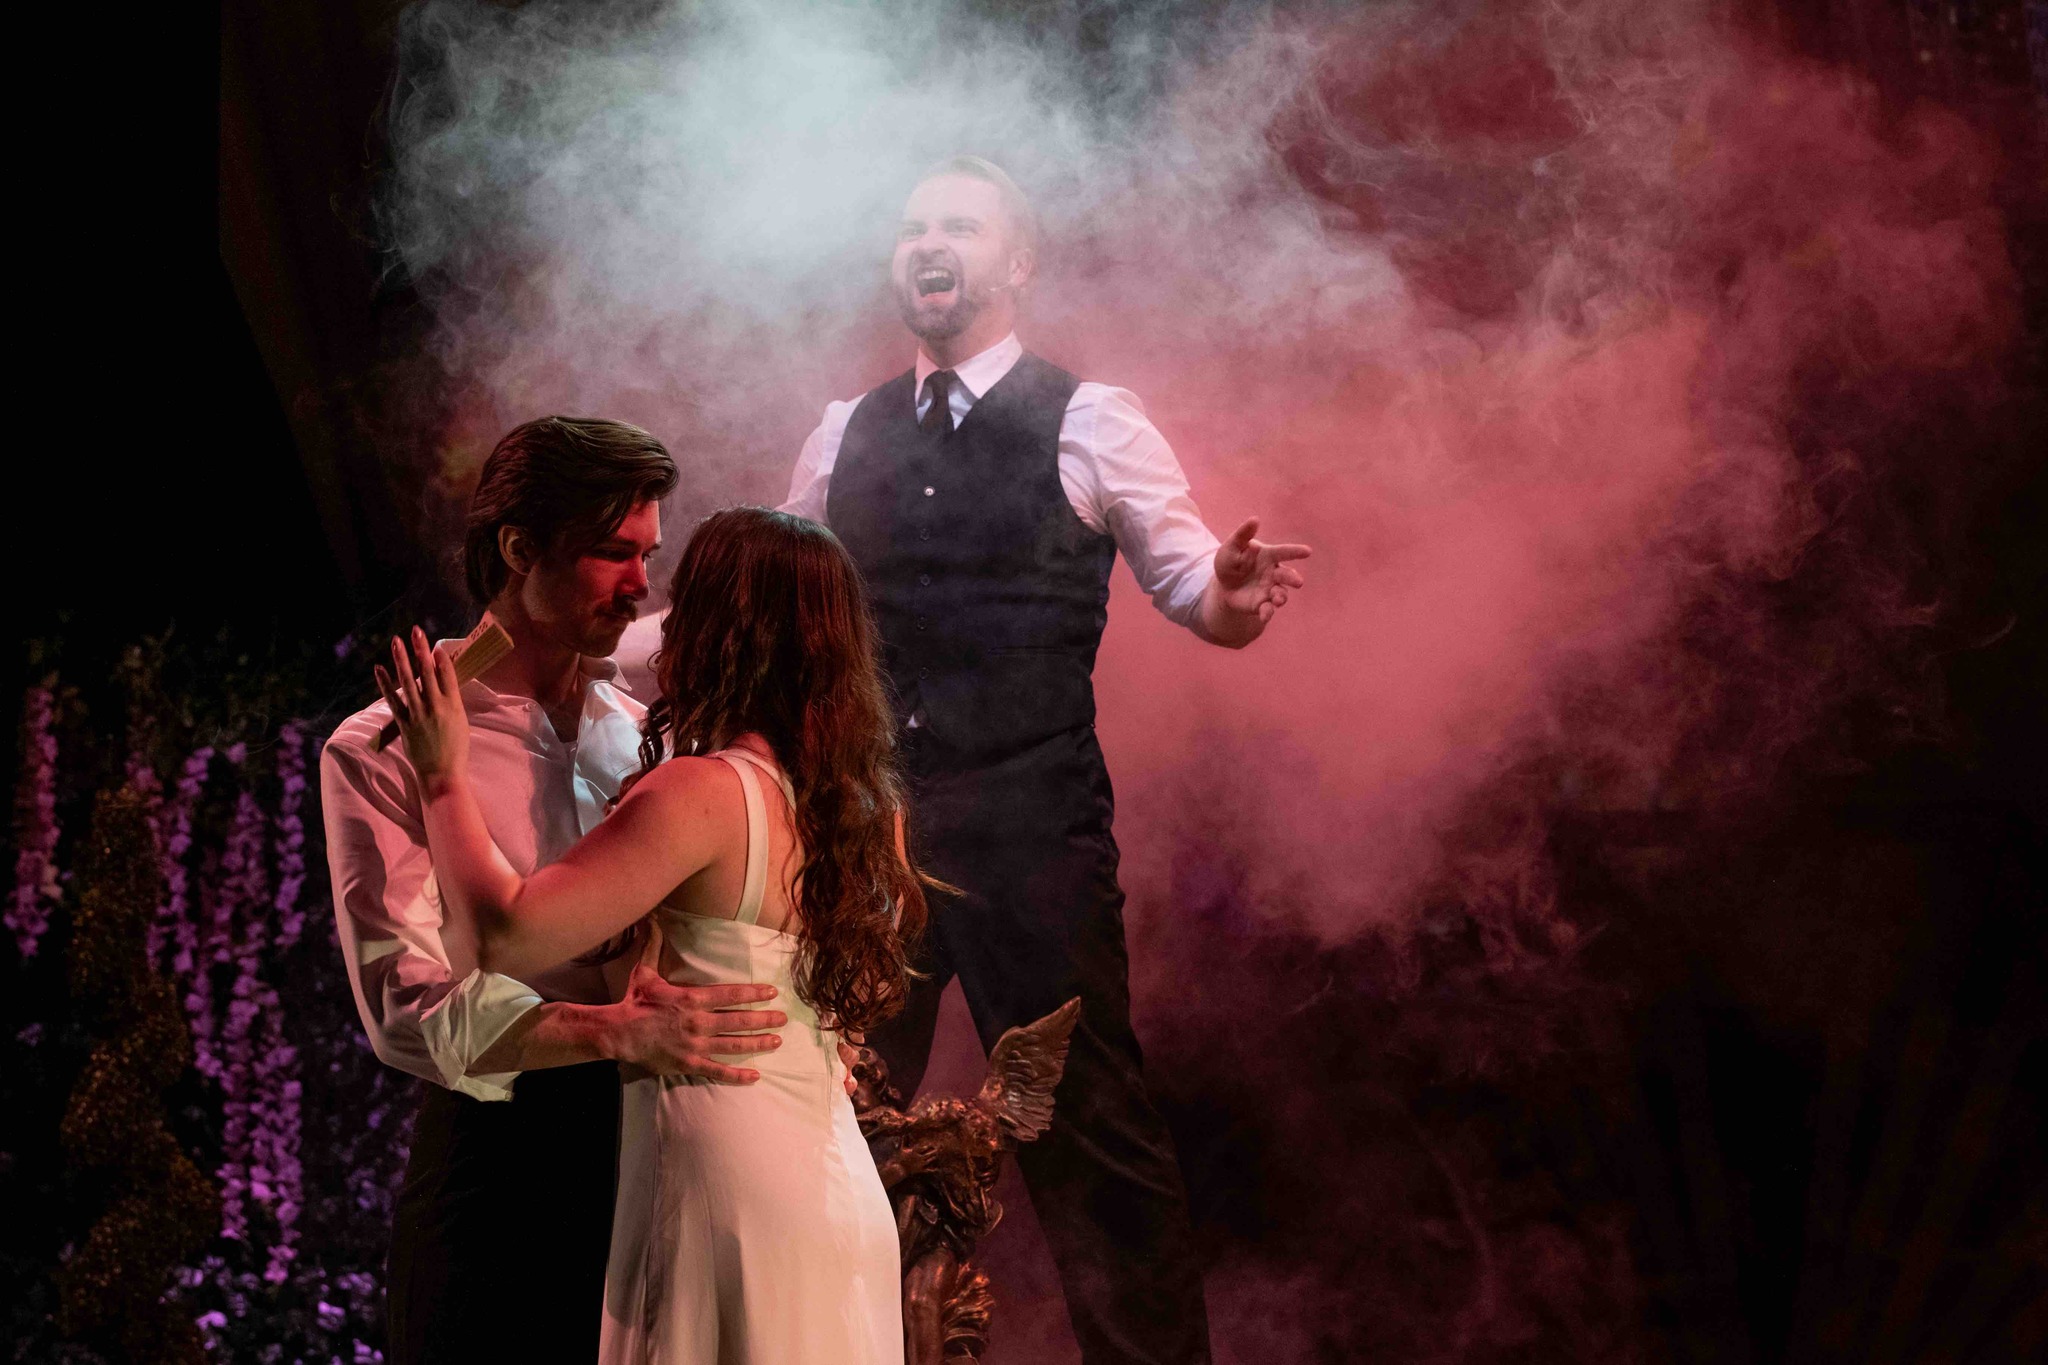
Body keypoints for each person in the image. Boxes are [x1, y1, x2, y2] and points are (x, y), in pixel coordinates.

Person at [778, 156, 1312, 1365]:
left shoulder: (1090, 417)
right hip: (864, 838)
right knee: (820, 1127)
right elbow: (758, 606)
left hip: (1030, 832)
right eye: (911, 226)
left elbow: (1194, 582)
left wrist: (1232, 600)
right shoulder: (841, 433)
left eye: (958, 226)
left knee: (1089, 1136)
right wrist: (577, 651)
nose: (928, 244)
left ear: (1016, 263)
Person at [380, 505, 934, 1365]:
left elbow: (504, 937)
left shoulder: (698, 794)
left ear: (719, 630)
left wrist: (443, 774)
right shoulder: (872, 816)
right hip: (841, 1199)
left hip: (727, 1185)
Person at [321, 418, 788, 1365]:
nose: (641, 583)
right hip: (497, 1171)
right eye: (612, 552)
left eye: (649, 554)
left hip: (663, 1151)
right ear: (517, 548)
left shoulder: (654, 736)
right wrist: (611, 1030)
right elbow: (407, 1011)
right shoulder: (379, 747)